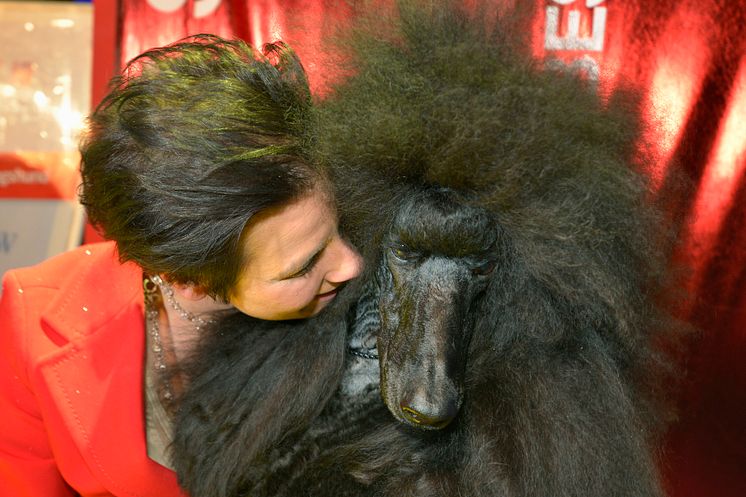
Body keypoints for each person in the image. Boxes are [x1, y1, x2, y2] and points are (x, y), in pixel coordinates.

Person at [0, 35, 363, 497]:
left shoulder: (391, 299)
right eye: (301, 267)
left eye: (338, 227)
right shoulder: (35, 318)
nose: (351, 264)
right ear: (188, 280)